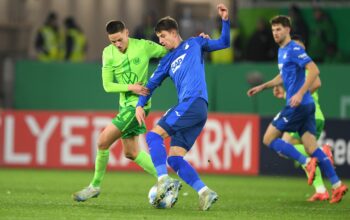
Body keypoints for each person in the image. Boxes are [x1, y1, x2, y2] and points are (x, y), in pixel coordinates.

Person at [135, 3, 230, 211]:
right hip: (196, 110)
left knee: (153, 136)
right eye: (158, 38)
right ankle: (205, 192)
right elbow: (149, 86)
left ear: (173, 32)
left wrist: (224, 21)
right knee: (175, 158)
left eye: (162, 37)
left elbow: (224, 42)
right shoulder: (166, 61)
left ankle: (163, 180)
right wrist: (140, 105)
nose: (160, 41)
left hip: (193, 102)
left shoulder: (196, 43)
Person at [247, 15, 347, 204]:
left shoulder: (293, 48)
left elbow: (315, 71)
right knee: (311, 147)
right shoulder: (281, 51)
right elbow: (281, 76)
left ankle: (306, 162)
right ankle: (337, 185)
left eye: (279, 29)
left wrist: (300, 93)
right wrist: (262, 87)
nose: (275, 33)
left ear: (288, 30)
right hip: (306, 106)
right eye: (273, 30)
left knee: (268, 139)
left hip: (299, 105)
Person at [72, 20, 168, 202]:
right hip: (125, 106)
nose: (117, 45)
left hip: (139, 106)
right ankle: (166, 179)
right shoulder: (108, 53)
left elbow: (170, 50)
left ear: (127, 32)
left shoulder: (143, 46)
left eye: (119, 40)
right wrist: (131, 87)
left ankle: (95, 186)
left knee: (102, 142)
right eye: (112, 41)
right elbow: (107, 85)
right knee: (131, 152)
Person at [272, 34, 335, 202]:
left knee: (284, 146)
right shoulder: (296, 66)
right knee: (303, 157)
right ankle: (321, 190)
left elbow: (317, 83)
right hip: (315, 115)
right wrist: (284, 94)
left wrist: (296, 96)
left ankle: (322, 154)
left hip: (308, 115)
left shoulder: (303, 64)